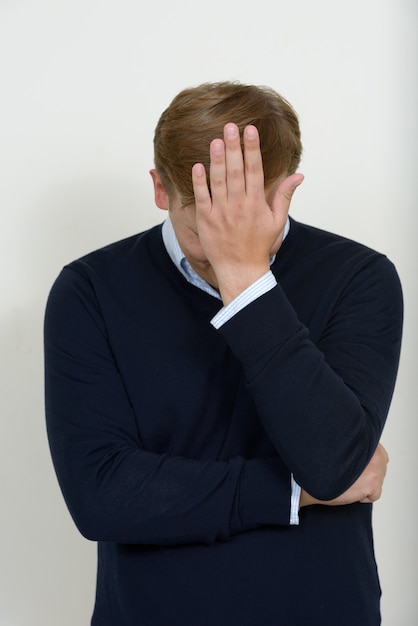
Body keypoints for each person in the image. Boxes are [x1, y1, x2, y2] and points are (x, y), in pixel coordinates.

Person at [44, 82, 403, 625]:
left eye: (248, 222)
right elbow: (103, 496)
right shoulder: (90, 289)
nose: (226, 244)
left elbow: (331, 466)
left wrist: (249, 281)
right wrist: (290, 494)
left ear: (286, 189)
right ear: (161, 190)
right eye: (205, 227)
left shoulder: (360, 278)